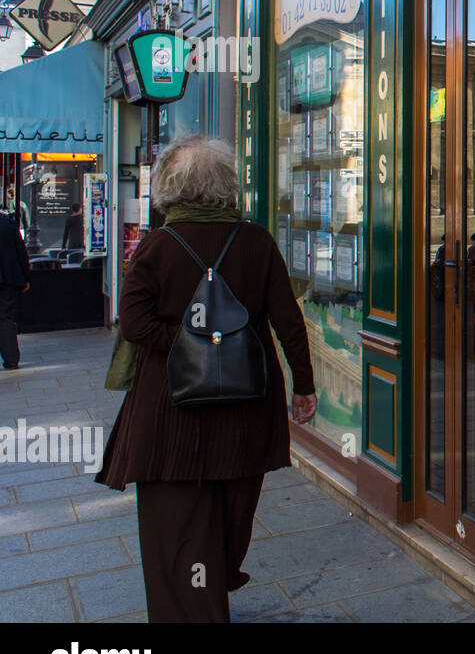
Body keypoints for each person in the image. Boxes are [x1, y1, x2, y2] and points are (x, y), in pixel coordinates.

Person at [94, 135, 318, 622]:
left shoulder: (156, 246)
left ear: (170, 187)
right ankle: (214, 581)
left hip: (170, 411)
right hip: (246, 411)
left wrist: (190, 342)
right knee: (232, 514)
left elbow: (133, 324)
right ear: (225, 185)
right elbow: (287, 321)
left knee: (176, 528)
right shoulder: (256, 241)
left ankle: (194, 601)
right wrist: (304, 384)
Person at [0, 208, 30, 369]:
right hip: (8, 280)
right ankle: (11, 358)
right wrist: (26, 278)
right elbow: (21, 253)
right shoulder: (9, 225)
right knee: (6, 318)